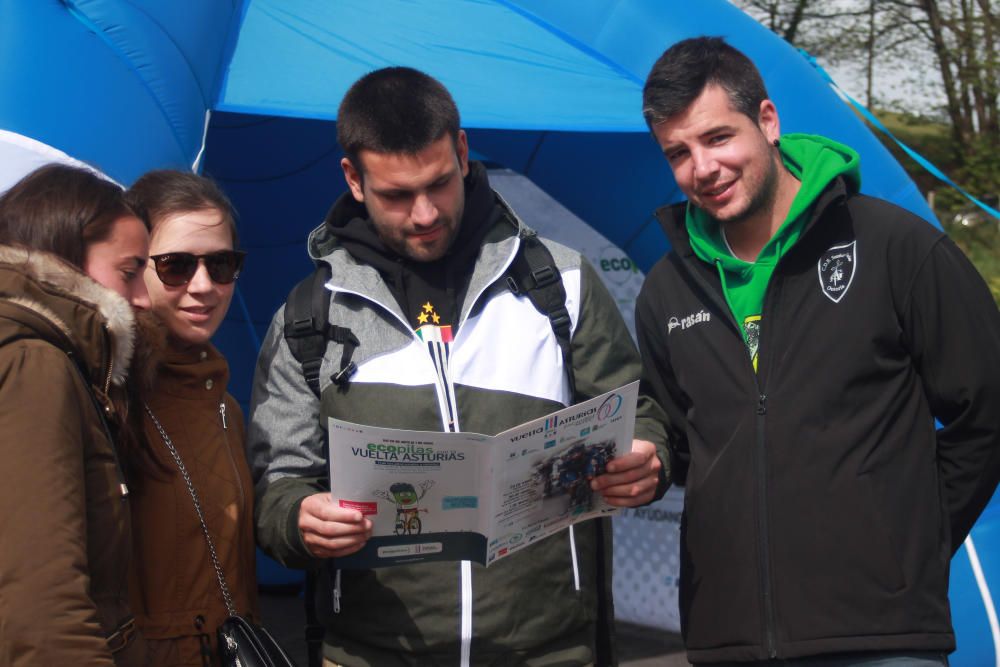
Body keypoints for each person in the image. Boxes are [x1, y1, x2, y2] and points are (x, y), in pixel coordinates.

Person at [248, 66, 669, 666]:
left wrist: (646, 457)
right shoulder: (307, 317)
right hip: (374, 652)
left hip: (548, 650)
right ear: (354, 178)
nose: (425, 213)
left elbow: (639, 413)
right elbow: (277, 484)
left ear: (464, 150)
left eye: (440, 183)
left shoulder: (562, 284)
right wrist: (298, 519)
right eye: (397, 195)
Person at [635, 36, 1000, 665]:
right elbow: (684, 440)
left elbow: (987, 410)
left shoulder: (895, 247)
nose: (702, 168)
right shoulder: (667, 289)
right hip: (731, 640)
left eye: (718, 137)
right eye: (678, 152)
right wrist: (651, 460)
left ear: (768, 122)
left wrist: (908, 539)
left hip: (884, 638)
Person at [0, 163, 150, 665]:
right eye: (130, 272)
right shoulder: (33, 363)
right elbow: (43, 606)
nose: (143, 297)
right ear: (66, 253)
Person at [124, 171, 258, 666]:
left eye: (221, 264)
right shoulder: (108, 394)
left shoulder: (226, 407)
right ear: (135, 267)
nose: (204, 286)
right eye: (176, 266)